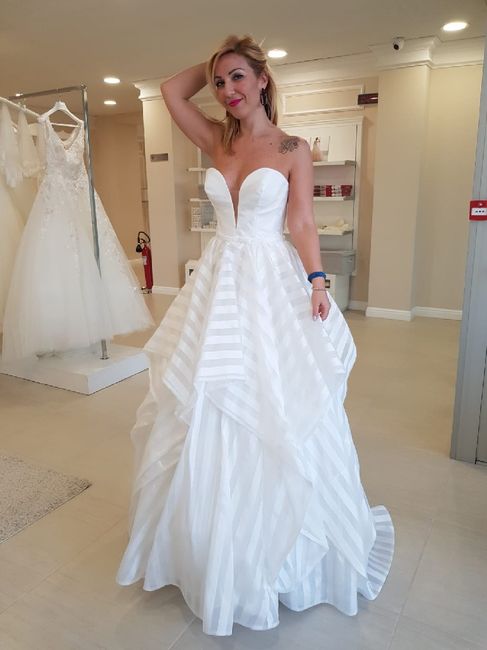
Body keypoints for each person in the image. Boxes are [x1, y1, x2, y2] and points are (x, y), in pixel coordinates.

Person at [116, 34, 394, 637]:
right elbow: (170, 91)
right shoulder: (217, 139)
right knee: (205, 395)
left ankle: (278, 548)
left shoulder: (292, 147)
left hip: (269, 277)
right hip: (218, 279)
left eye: (238, 78)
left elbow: (301, 220)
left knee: (271, 394)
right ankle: (206, 544)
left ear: (263, 79)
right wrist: (214, 60)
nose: (226, 91)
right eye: (220, 82)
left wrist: (317, 281)